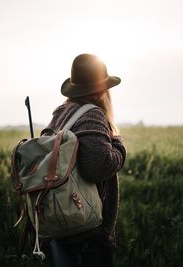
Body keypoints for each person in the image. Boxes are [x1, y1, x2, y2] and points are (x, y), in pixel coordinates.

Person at [44, 54, 126, 267]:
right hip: (87, 232)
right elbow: (99, 166)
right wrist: (118, 144)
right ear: (101, 89)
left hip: (61, 221)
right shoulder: (92, 115)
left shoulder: (61, 113)